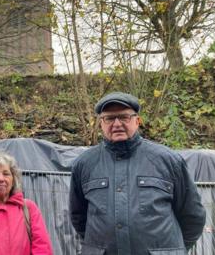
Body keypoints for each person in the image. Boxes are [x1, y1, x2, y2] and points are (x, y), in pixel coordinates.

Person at [69, 91, 206, 254]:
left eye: (124, 117)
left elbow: (192, 216)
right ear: (101, 124)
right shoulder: (84, 164)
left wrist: (172, 250)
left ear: (137, 121)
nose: (117, 123)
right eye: (109, 118)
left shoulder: (168, 161)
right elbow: (79, 217)